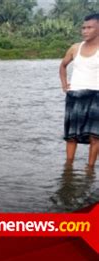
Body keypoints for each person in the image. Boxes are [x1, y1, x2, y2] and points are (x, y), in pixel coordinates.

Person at [59, 13, 99, 169]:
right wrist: (64, 85)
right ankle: (68, 168)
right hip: (74, 96)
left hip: (96, 95)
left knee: (95, 136)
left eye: (89, 28)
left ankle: (89, 170)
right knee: (71, 136)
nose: (85, 31)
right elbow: (63, 66)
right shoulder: (75, 48)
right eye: (83, 27)